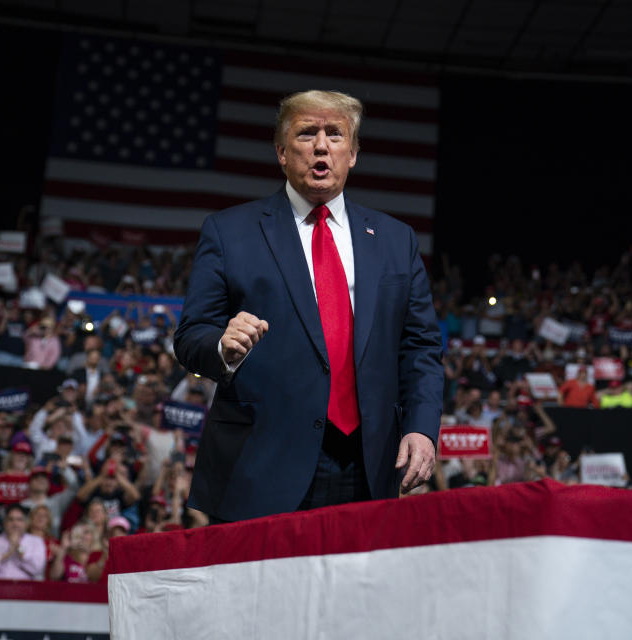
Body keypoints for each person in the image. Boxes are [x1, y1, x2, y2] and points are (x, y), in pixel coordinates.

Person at [173, 90, 444, 522]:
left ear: (352, 153)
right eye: (306, 133)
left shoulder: (397, 240)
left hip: (369, 467)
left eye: (335, 134)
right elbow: (190, 337)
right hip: (262, 466)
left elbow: (421, 350)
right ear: (281, 152)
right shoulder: (230, 231)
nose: (322, 145)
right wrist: (222, 347)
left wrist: (421, 428)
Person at [0, 504, 46, 580]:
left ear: (26, 523)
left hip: (24, 588)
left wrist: (18, 547)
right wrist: (6, 555)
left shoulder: (36, 541)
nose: (15, 524)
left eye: (19, 520)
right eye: (11, 519)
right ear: (4, 523)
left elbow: (37, 569)